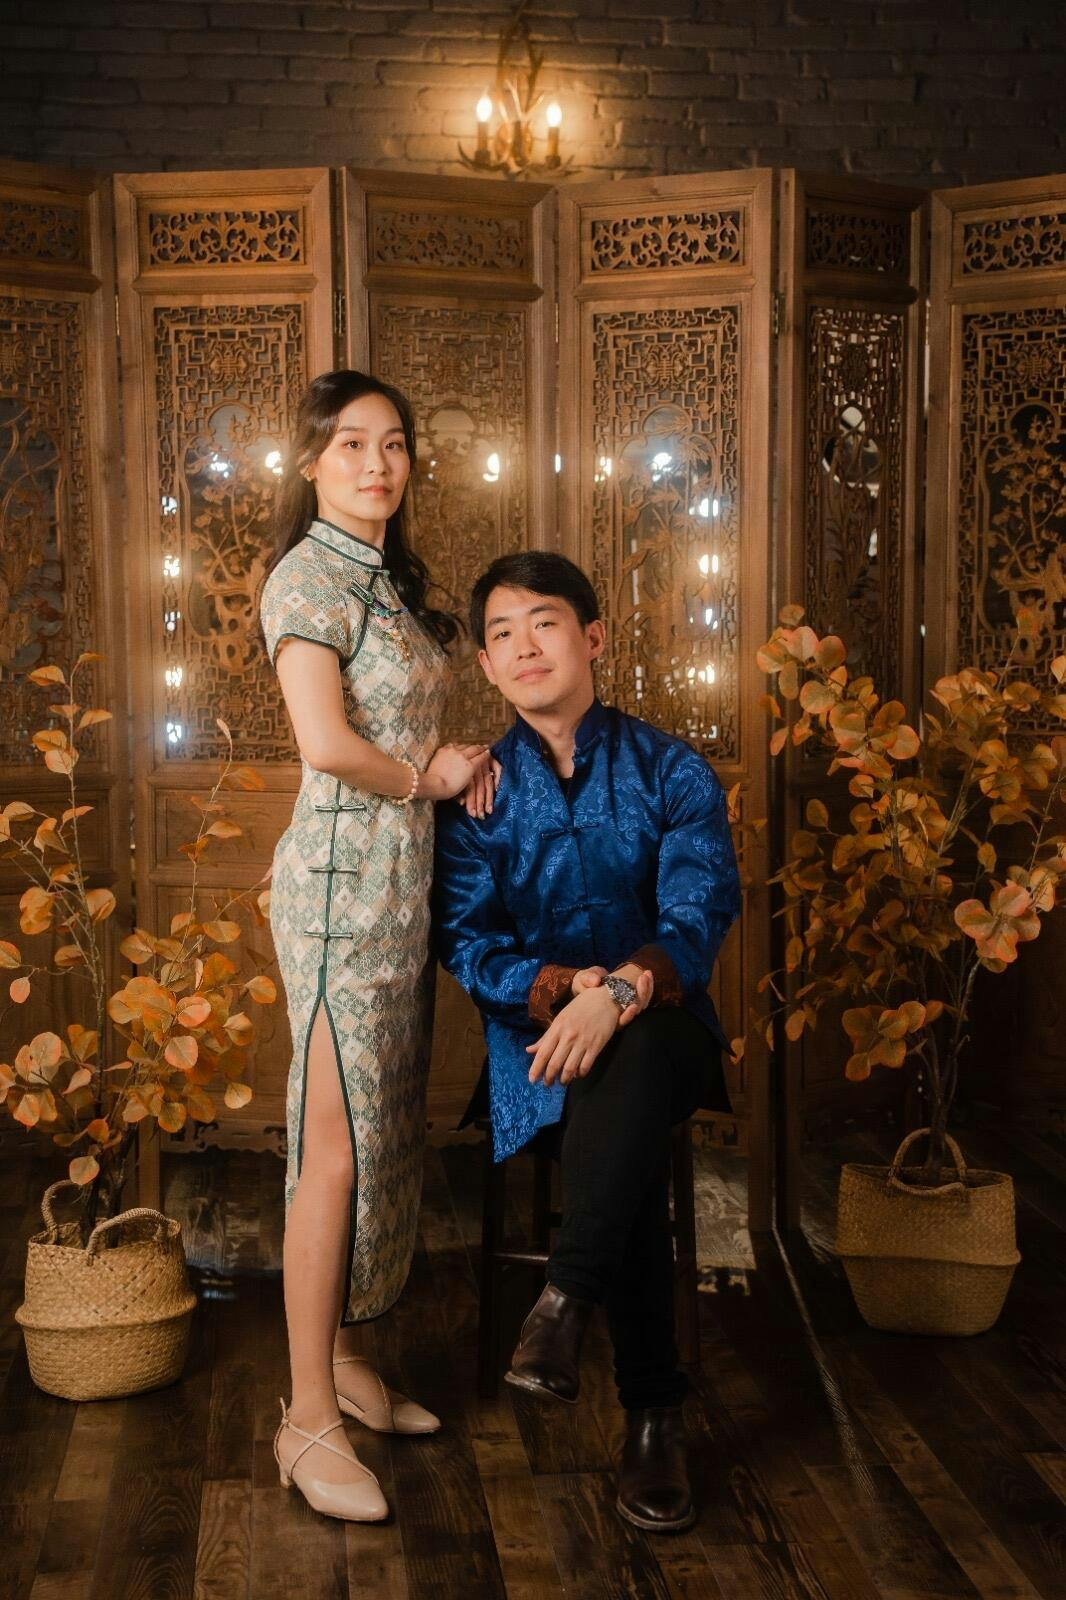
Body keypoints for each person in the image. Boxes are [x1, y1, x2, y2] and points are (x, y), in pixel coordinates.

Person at [433, 551, 741, 1533]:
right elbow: (467, 944)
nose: (524, 647)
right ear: (488, 666)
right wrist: (566, 990)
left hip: (665, 1031)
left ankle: (563, 1299)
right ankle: (652, 1414)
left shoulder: (671, 769)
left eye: (545, 623)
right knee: (625, 1132)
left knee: (637, 1059)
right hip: (540, 1055)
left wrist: (617, 993)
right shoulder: (478, 797)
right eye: (502, 634)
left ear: (593, 637)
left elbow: (696, 918)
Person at [258, 369, 494, 1522]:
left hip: (399, 888)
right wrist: (428, 779)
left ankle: (348, 1360)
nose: (376, 463)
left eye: (393, 443)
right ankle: (305, 1417)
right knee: (333, 1152)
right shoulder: (305, 577)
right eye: (350, 443)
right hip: (337, 893)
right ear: (311, 463)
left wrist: (465, 767)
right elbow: (325, 742)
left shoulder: (386, 583)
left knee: (385, 1136)